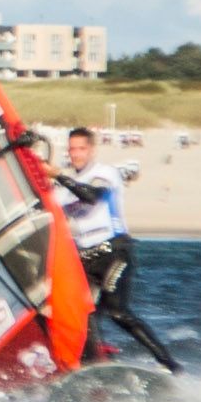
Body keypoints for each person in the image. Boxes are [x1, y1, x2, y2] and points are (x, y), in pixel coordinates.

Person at [52, 127, 182, 373]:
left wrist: (57, 174)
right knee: (82, 314)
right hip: (86, 260)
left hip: (114, 252)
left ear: (91, 150)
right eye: (72, 149)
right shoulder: (62, 192)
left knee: (117, 312)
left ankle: (170, 365)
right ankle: (94, 367)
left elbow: (90, 196)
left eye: (81, 148)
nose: (76, 154)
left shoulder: (105, 173)